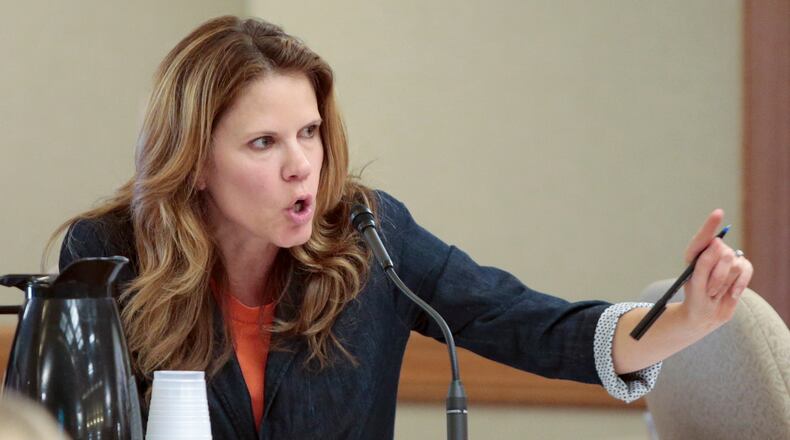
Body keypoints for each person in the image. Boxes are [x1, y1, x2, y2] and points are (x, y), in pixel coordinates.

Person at [52, 15, 753, 440]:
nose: (303, 166)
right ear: (196, 161)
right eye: (263, 143)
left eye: (309, 132)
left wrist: (684, 323)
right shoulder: (110, 252)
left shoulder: (368, 235)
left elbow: (528, 322)